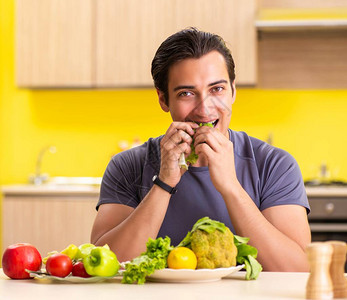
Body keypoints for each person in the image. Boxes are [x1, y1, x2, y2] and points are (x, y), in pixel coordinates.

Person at [91, 28, 311, 271]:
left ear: (233, 91)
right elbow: (106, 264)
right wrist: (164, 182)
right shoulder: (127, 166)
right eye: (186, 93)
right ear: (163, 99)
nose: (205, 109)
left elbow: (296, 270)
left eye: (217, 89)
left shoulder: (274, 164)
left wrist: (231, 187)